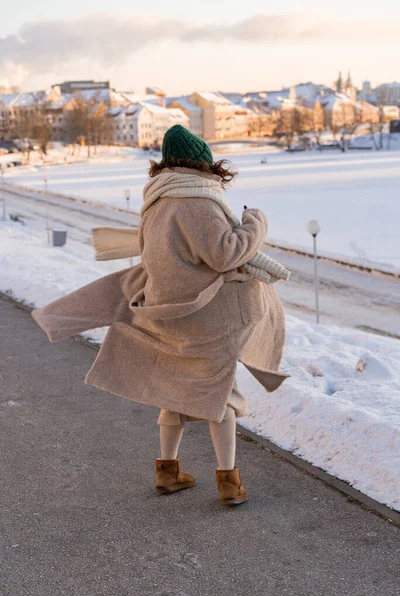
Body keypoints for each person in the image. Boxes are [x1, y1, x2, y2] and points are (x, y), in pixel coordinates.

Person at [32, 125, 289, 507]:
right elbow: (226, 254)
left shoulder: (155, 203)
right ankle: (229, 483)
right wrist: (257, 223)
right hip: (208, 318)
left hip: (167, 315)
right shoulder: (198, 201)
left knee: (175, 392)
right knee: (217, 396)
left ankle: (168, 474)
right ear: (203, 162)